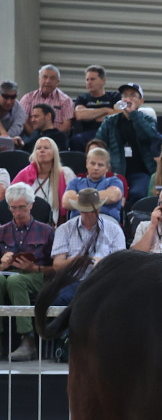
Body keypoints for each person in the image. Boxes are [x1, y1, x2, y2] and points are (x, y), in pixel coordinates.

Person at [0, 183, 56, 361]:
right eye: (14, 208)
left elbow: (56, 267)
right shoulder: (2, 231)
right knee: (5, 279)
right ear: (9, 207)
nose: (18, 213)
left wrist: (35, 268)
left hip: (36, 275)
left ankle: (28, 339)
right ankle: (1, 338)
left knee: (16, 282)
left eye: (22, 207)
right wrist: (2, 264)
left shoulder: (46, 231)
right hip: (8, 274)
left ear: (31, 205)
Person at [49, 186, 126, 306]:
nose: (88, 215)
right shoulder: (64, 229)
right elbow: (57, 266)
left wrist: (102, 263)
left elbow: (122, 265)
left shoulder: (114, 230)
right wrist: (78, 260)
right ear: (79, 210)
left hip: (103, 281)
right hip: (72, 281)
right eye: (84, 211)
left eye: (92, 211)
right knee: (59, 299)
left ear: (99, 209)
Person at [93, 82, 158, 205]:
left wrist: (133, 114)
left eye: (133, 95)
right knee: (111, 195)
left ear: (141, 101)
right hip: (116, 171)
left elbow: (150, 136)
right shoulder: (110, 121)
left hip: (141, 172)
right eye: (125, 95)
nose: (128, 99)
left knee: (138, 194)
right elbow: (98, 144)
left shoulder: (148, 120)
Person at [12, 136, 76, 223]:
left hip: (56, 226)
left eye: (46, 148)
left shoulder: (65, 173)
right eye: (38, 148)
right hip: (28, 225)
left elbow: (75, 200)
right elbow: (11, 199)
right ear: (34, 153)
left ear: (54, 153)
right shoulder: (24, 174)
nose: (42, 150)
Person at [62, 146, 124, 220]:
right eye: (92, 163)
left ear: (107, 168)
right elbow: (66, 202)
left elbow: (113, 197)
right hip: (78, 220)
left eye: (100, 165)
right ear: (87, 164)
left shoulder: (114, 181)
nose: (96, 168)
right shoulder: (75, 181)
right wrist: (102, 196)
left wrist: (80, 198)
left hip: (105, 220)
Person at [71, 65, 119, 150]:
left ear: (103, 81)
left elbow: (118, 115)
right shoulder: (82, 98)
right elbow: (80, 115)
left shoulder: (114, 96)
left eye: (92, 79)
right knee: (75, 140)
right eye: (87, 79)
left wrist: (91, 115)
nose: (89, 82)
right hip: (87, 134)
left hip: (109, 133)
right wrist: (106, 110)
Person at [19, 65, 74, 135]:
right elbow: (23, 121)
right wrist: (35, 136)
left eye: (52, 78)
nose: (48, 81)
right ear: (39, 79)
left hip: (56, 137)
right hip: (32, 137)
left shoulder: (66, 100)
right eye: (45, 77)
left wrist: (50, 136)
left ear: (58, 82)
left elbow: (67, 125)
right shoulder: (28, 98)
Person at [0, 80, 27, 148]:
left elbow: (16, 128)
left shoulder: (19, 109)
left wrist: (6, 140)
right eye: (5, 97)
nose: (9, 102)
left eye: (13, 97)